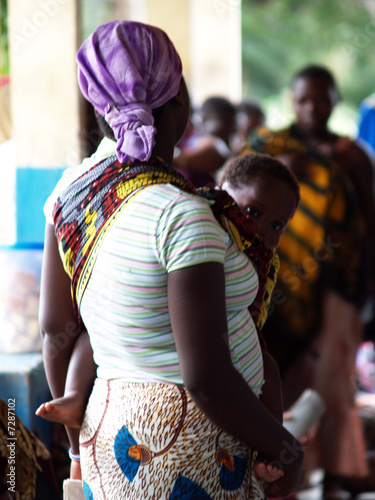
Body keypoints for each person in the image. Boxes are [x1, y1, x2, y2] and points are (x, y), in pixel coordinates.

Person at [37, 20, 303, 498]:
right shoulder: (181, 214)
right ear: (176, 98)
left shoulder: (70, 192)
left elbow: (56, 330)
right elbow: (206, 377)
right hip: (194, 455)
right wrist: (287, 449)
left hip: (112, 440)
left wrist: (77, 446)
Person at [245, 64, 375, 498]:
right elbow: (237, 181)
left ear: (335, 100)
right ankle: (278, 474)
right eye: (303, 100)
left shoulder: (349, 154)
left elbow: (369, 224)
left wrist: (366, 288)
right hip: (279, 285)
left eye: (321, 99)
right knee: (276, 379)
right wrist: (279, 168)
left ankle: (335, 478)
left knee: (332, 383)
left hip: (338, 285)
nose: (312, 108)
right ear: (291, 101)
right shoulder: (273, 146)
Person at [173, 96, 236, 187]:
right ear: (204, 120)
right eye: (226, 123)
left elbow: (219, 150)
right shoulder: (196, 138)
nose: (232, 129)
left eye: (233, 124)